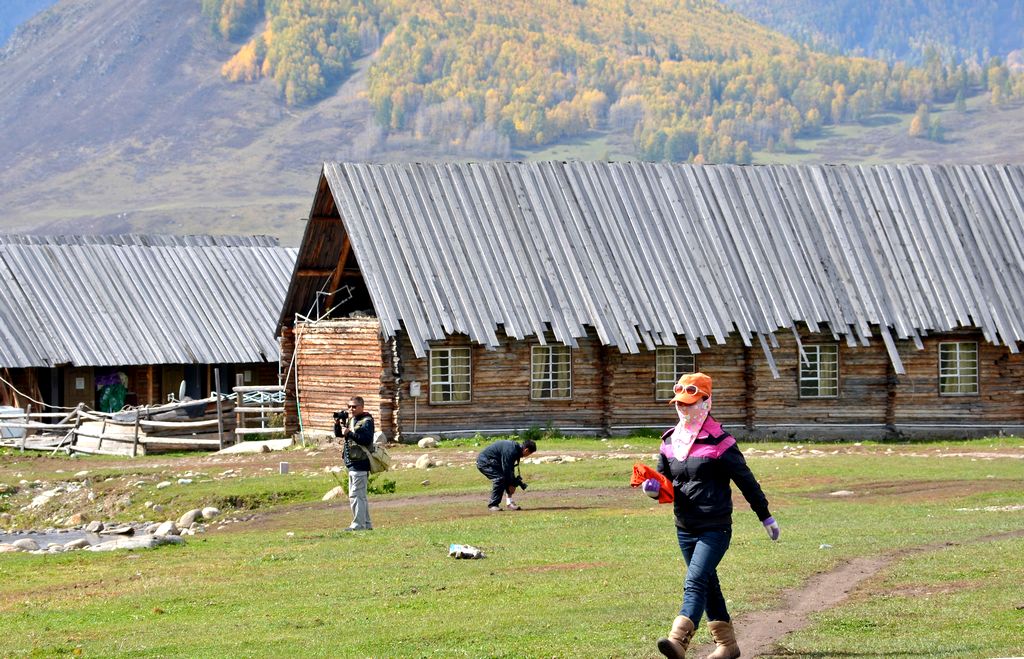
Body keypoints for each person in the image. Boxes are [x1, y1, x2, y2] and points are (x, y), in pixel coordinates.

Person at [654, 372, 779, 659]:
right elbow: (663, 484)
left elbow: (746, 481)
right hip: (684, 526)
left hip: (715, 527)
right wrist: (652, 488)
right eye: (680, 403)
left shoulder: (721, 442)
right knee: (707, 581)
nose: (684, 408)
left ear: (706, 402)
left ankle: (679, 640)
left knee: (695, 580)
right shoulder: (670, 441)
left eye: (690, 403)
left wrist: (765, 516)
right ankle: (727, 646)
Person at [333, 396, 375, 531]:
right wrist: (336, 424)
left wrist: (350, 433)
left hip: (360, 463)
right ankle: (366, 524)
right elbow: (340, 435)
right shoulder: (352, 420)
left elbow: (366, 440)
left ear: (362, 406)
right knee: (360, 495)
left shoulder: (367, 421)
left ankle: (358, 525)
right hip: (352, 463)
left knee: (355, 495)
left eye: (354, 406)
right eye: (349, 406)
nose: (351, 409)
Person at [475, 438, 536, 511]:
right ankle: (493, 505)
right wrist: (510, 484)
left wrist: (513, 482)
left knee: (510, 479)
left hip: (494, 462)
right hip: (484, 462)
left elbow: (510, 469)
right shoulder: (511, 450)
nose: (527, 455)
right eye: (529, 454)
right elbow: (506, 469)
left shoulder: (516, 450)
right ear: (526, 450)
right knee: (499, 479)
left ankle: (509, 503)